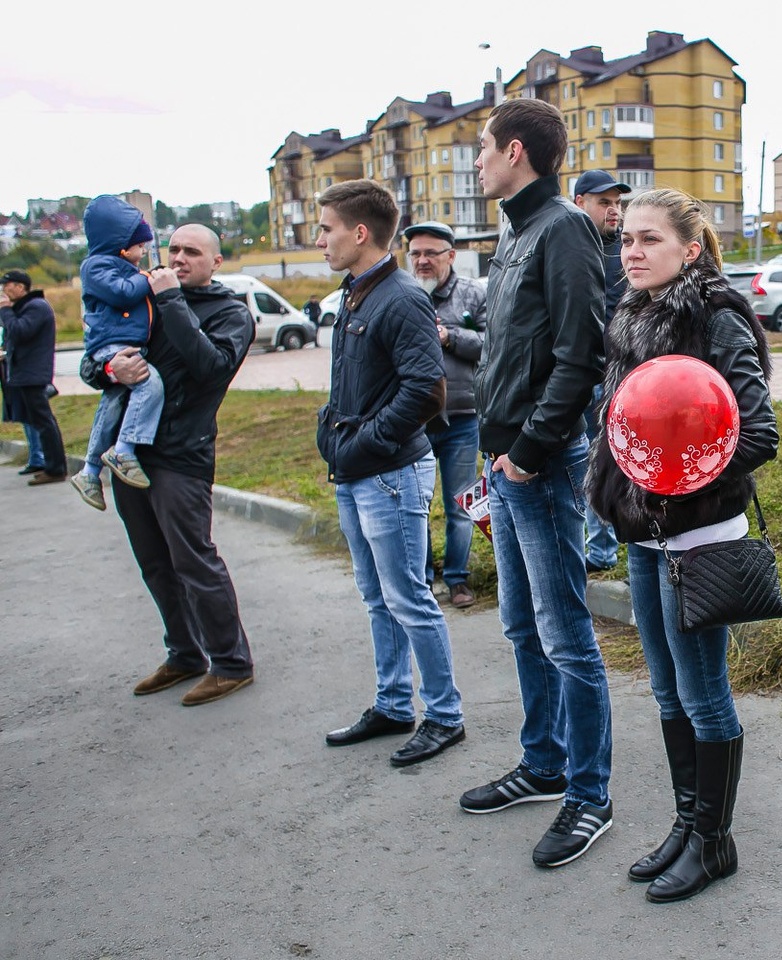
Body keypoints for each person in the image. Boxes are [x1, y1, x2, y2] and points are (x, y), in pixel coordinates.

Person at [587, 188, 778, 902]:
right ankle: (687, 824)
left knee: (704, 695)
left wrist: (674, 484)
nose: (632, 252)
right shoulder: (632, 315)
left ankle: (714, 844)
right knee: (667, 689)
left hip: (697, 539)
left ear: (690, 249)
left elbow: (756, 432)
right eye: (626, 239)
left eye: (649, 240)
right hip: (642, 537)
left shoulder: (716, 315)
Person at [458, 97, 613, 870]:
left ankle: (591, 794)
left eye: (483, 149)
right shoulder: (513, 233)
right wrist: (498, 457)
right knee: (522, 626)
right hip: (506, 463)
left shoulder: (565, 228)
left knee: (566, 636)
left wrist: (527, 450)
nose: (477, 161)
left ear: (515, 151)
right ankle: (545, 763)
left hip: (541, 465)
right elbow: (507, 348)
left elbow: (580, 353)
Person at [315, 180, 466, 768]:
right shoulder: (356, 294)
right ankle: (393, 704)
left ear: (358, 233)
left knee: (409, 598)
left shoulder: (401, 296)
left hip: (389, 475)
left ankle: (445, 717)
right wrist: (334, 435)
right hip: (355, 472)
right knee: (377, 596)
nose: (320, 239)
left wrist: (367, 442)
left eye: (327, 228)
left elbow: (427, 390)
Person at [95, 224, 257, 706]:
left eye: (192, 252)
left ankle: (231, 663)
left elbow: (210, 368)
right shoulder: (141, 301)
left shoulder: (230, 313)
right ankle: (185, 653)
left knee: (193, 561)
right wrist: (108, 368)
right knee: (154, 563)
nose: (179, 259)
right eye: (173, 250)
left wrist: (169, 301)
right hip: (129, 454)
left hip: (181, 455)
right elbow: (95, 353)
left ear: (216, 262)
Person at [402, 219, 486, 609]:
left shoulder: (472, 294)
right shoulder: (400, 294)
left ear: (450, 256)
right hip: (413, 420)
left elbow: (492, 343)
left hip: (462, 417)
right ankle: (422, 580)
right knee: (414, 505)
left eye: (430, 253)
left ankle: (457, 579)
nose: (422, 261)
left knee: (460, 504)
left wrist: (450, 336)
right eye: (415, 253)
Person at [71, 195, 167, 510]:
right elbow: (123, 294)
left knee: (112, 404)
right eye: (141, 248)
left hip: (121, 342)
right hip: (111, 345)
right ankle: (123, 449)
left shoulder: (115, 266)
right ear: (124, 246)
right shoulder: (98, 266)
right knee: (149, 383)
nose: (144, 255)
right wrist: (148, 280)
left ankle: (89, 472)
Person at [572, 169, 630, 574]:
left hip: (619, 377)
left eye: (617, 202)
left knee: (616, 463)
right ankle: (596, 551)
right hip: (577, 378)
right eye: (604, 202)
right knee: (585, 465)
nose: (614, 210)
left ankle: (611, 549)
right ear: (580, 203)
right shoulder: (570, 246)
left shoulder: (623, 251)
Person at [0, 269, 67, 486]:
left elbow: (19, 331)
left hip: (33, 374)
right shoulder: (27, 307)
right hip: (26, 373)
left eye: (7, 285)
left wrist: (5, 310)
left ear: (21, 287)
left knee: (44, 422)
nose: (4, 290)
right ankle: (49, 465)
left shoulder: (36, 307)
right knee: (39, 421)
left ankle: (56, 468)